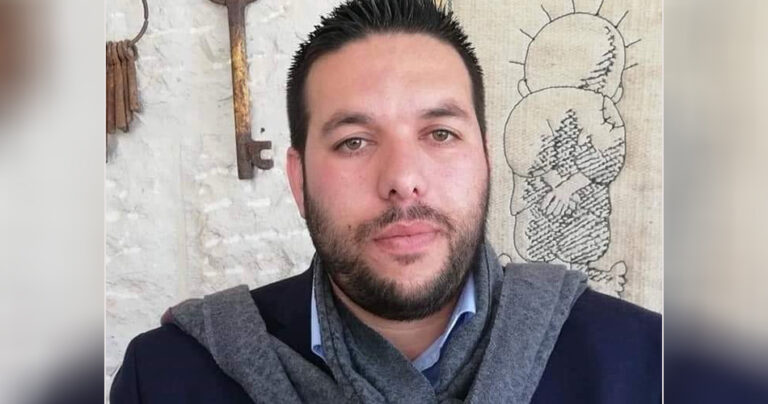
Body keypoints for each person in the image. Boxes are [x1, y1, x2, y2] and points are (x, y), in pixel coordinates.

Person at [110, 1, 660, 402]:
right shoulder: (165, 378)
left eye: (440, 133)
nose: (402, 179)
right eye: (354, 142)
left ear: (485, 160)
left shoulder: (646, 364)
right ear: (299, 181)